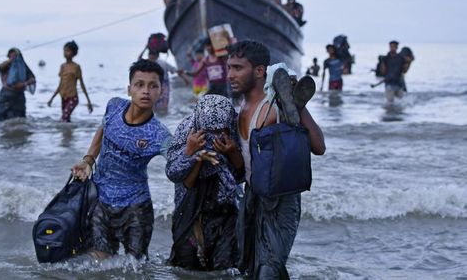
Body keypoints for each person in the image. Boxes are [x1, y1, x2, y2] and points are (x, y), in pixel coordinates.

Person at [227, 40, 325, 279]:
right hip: (252, 197)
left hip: (282, 202)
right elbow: (247, 167)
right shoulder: (240, 108)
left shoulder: (276, 106)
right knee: (249, 268)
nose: (230, 74)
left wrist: (296, 108)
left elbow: (319, 146)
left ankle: (296, 109)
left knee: (268, 270)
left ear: (259, 71)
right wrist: (230, 152)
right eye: (229, 67)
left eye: (238, 68)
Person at [72, 59, 172, 260]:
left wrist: (195, 152)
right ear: (129, 89)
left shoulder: (161, 136)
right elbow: (103, 130)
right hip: (100, 201)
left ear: (161, 92)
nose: (146, 91)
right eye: (139, 85)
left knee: (137, 268)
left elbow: (179, 164)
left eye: (153, 86)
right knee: (100, 264)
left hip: (136, 209)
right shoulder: (114, 106)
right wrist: (88, 161)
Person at [166, 94, 244, 270]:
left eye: (219, 131)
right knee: (186, 265)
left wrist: (232, 153)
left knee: (225, 265)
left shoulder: (234, 132)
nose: (214, 136)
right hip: (190, 206)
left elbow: (243, 176)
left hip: (224, 207)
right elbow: (173, 173)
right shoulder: (187, 131)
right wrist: (191, 153)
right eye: (209, 131)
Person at [47, 41, 93, 122]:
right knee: (66, 119)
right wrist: (52, 98)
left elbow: (82, 84)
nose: (65, 53)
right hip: (63, 96)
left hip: (73, 97)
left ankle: (67, 132)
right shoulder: (62, 66)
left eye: (68, 51)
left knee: (64, 117)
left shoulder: (76, 67)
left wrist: (88, 101)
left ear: (74, 53)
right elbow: (60, 84)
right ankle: (68, 134)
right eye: (64, 50)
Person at [0, 47, 36, 122]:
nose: (14, 58)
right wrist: (11, 60)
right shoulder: (5, 66)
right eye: (11, 56)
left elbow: (32, 79)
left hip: (19, 96)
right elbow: (0, 66)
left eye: (16, 56)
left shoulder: (23, 68)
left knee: (19, 117)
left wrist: (26, 83)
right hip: (7, 95)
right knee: (0, 117)